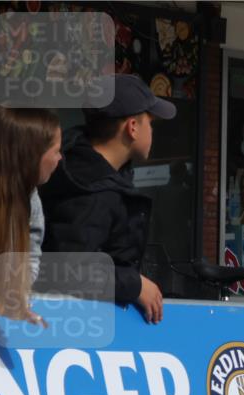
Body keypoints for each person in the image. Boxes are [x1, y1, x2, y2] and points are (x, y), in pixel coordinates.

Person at [39, 74, 176, 324]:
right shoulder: (91, 190)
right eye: (150, 123)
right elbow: (69, 270)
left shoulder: (91, 172)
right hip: (75, 329)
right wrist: (134, 285)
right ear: (132, 127)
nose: (152, 131)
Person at [0, 107, 62, 325]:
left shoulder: (30, 198)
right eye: (56, 151)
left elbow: (30, 257)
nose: (60, 158)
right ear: (31, 155)